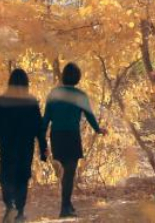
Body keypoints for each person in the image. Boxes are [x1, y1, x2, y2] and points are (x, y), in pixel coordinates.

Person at [42, 62, 107, 218]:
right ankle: (65, 207)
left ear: (63, 77)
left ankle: (67, 204)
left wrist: (41, 138)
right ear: (78, 78)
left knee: (65, 172)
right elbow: (89, 115)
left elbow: (46, 119)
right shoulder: (80, 95)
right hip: (71, 135)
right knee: (70, 172)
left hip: (57, 136)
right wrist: (98, 129)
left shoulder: (54, 94)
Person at [0, 69, 47, 223]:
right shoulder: (31, 101)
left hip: (7, 145)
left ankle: (10, 205)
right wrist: (43, 148)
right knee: (22, 177)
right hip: (25, 146)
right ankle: (20, 212)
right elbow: (39, 126)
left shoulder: (2, 100)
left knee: (5, 176)